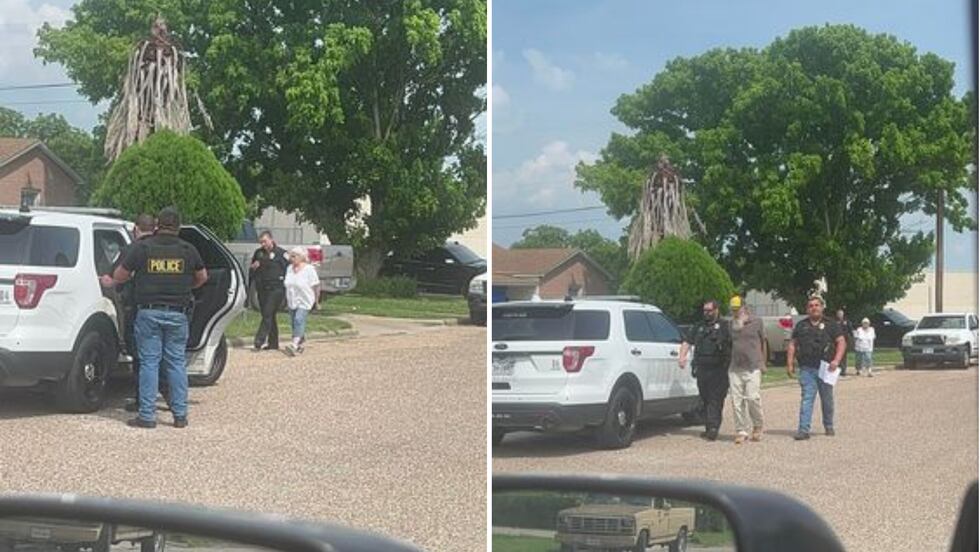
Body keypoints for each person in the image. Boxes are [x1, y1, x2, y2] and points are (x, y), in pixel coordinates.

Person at [109, 207, 208, 429]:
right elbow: (203, 277)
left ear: (157, 226)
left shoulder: (143, 248)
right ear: (179, 227)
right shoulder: (188, 249)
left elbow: (119, 275)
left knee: (149, 363)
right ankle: (180, 415)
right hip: (177, 314)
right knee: (175, 364)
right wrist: (185, 286)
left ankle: (147, 415)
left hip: (148, 313)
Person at [100, 214, 165, 413]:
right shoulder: (164, 250)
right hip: (165, 306)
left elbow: (113, 277)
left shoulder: (131, 250)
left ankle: (142, 400)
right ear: (154, 229)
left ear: (136, 229)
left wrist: (106, 280)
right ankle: (170, 399)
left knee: (141, 357)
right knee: (166, 356)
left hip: (136, 308)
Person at [787, 296, 846, 440]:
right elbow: (792, 344)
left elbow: (841, 342)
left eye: (817, 305)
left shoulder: (831, 324)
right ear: (807, 309)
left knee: (827, 399)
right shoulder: (801, 325)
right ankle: (803, 429)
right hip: (807, 368)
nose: (814, 308)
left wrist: (837, 360)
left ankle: (829, 425)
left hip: (826, 368)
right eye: (811, 306)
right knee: (807, 398)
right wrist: (789, 363)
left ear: (822, 307)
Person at [679, 299, 732, 441]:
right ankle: (709, 427)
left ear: (716, 310)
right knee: (705, 397)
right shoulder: (699, 326)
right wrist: (682, 356)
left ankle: (713, 428)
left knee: (716, 398)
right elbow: (687, 341)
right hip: (702, 368)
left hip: (719, 368)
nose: (706, 313)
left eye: (709, 310)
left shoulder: (725, 326)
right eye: (705, 310)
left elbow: (734, 344)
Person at [728, 296, 766, 444]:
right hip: (735, 367)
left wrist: (763, 362)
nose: (735, 312)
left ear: (744, 307)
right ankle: (741, 430)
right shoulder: (730, 324)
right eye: (733, 309)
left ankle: (758, 425)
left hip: (753, 366)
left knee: (752, 398)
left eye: (737, 309)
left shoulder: (757, 322)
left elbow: (763, 342)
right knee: (736, 401)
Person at [250, 230, 289, 352]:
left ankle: (259, 341)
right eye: (261, 242)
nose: (263, 244)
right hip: (262, 288)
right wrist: (254, 268)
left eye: (265, 241)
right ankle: (273, 343)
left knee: (267, 313)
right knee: (269, 315)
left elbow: (289, 269)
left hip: (276, 289)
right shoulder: (258, 253)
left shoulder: (281, 253)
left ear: (271, 240)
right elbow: (252, 270)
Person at [283, 246, 320, 356]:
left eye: (294, 256)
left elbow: (316, 286)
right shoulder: (289, 268)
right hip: (292, 300)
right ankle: (300, 342)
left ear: (301, 257)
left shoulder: (309, 269)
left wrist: (317, 302)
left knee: (299, 319)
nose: (292, 258)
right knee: (294, 323)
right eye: (291, 256)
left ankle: (294, 345)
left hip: (305, 300)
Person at [835, 308, 854, 376]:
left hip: (844, 341)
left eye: (841, 314)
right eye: (838, 314)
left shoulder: (846, 322)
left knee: (843, 356)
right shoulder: (835, 322)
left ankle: (843, 370)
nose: (840, 315)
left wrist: (851, 339)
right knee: (836, 355)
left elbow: (850, 331)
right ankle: (837, 370)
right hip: (836, 342)